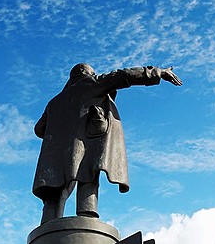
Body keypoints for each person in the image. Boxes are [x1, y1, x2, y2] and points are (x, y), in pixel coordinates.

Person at [33, 63, 182, 224]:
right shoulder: (90, 84)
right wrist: (157, 73)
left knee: (55, 192)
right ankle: (87, 217)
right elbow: (122, 76)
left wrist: (61, 129)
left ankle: (48, 225)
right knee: (88, 173)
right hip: (83, 146)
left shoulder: (54, 102)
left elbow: (39, 129)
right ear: (86, 73)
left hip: (56, 158)